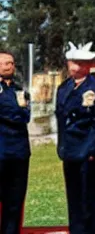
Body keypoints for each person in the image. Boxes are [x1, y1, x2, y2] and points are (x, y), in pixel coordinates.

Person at [56, 42, 95, 234]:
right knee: (74, 197)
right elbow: (61, 119)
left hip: (87, 151)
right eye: (71, 62)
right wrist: (61, 146)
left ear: (88, 65)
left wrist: (93, 150)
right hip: (69, 150)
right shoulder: (63, 88)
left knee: (90, 199)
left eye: (78, 63)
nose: (73, 66)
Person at [0, 50, 31, 234]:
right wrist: (15, 113)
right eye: (5, 63)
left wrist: (12, 113)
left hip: (19, 151)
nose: (10, 66)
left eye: (11, 63)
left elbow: (26, 115)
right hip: (1, 151)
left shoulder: (20, 89)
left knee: (15, 198)